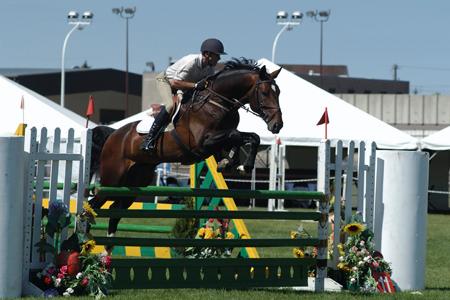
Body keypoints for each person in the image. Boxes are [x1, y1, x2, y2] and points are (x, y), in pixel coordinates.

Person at [140, 38, 226, 152]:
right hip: (165, 81)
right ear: (207, 54)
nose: (219, 58)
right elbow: (174, 83)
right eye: (217, 55)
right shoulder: (192, 61)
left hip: (182, 86)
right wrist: (195, 86)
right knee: (170, 105)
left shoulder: (210, 69)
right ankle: (148, 139)